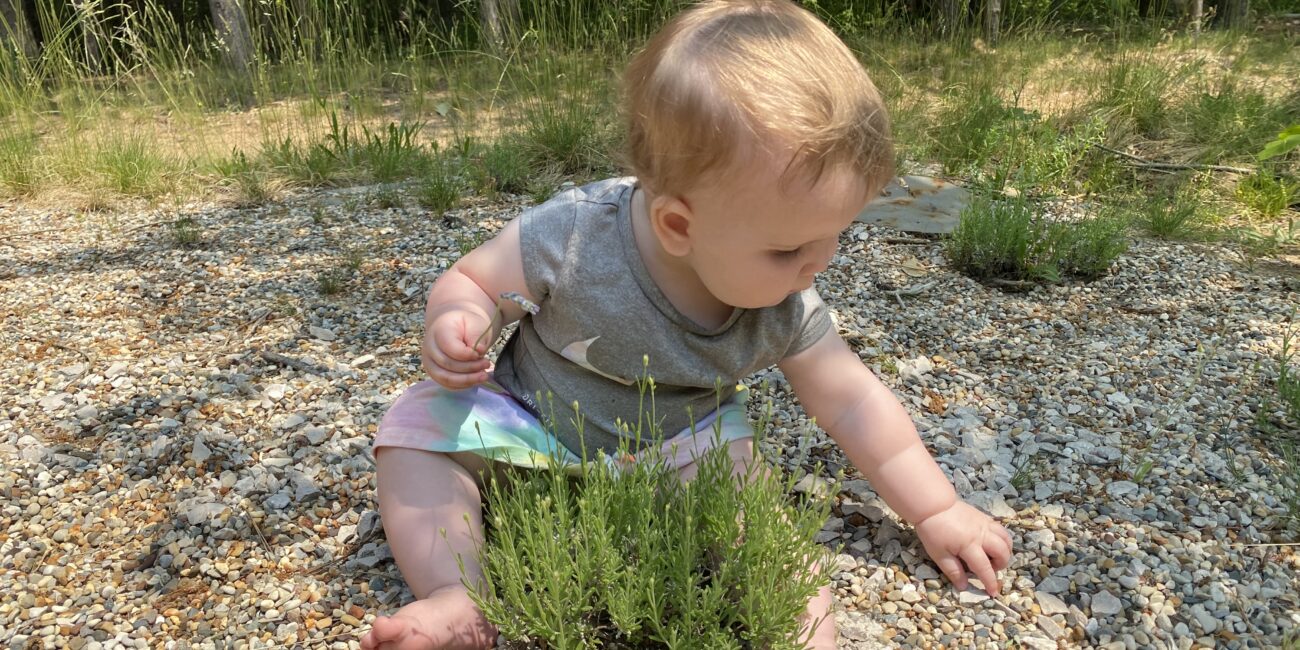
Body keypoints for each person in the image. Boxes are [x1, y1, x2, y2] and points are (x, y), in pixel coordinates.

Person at [361, 1, 1013, 648]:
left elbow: (853, 401)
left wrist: (936, 509)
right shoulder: (578, 236)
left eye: (837, 234)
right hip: (530, 424)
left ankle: (811, 636)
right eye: (788, 249)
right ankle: (456, 592)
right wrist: (460, 318)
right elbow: (476, 279)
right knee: (416, 435)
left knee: (764, 533)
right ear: (678, 225)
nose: (818, 264)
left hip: (681, 448)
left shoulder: (785, 302)